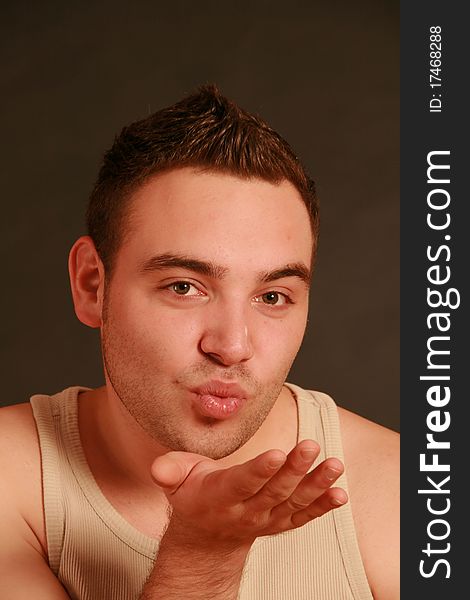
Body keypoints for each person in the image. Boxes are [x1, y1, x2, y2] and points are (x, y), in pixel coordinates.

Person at [0, 85, 399, 600]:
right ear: (92, 285)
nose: (232, 346)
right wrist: (204, 552)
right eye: (184, 287)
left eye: (273, 296)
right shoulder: (10, 476)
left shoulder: (405, 490)